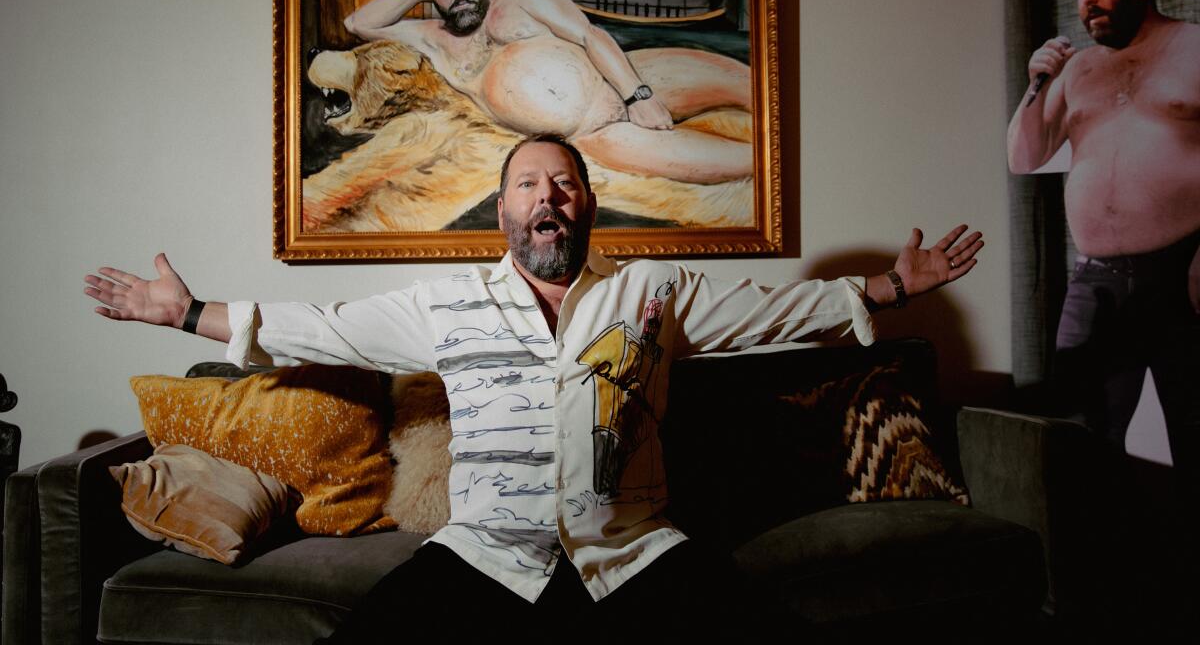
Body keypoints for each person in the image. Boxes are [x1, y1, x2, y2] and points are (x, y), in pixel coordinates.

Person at [86, 134, 983, 640]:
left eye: (564, 182)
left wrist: (892, 288)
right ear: (504, 211)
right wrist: (186, 312)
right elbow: (317, 327)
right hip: (484, 560)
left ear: (589, 206)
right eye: (527, 185)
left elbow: (779, 312)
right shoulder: (444, 305)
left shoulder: (654, 295)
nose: (547, 196)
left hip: (634, 554)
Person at [1006, 0, 1200, 486]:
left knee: (1193, 426)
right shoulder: (1080, 69)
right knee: (1083, 435)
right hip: (1096, 283)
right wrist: (1036, 85)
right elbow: (1024, 158)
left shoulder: (1195, 49)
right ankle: (1102, 566)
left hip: (1181, 277)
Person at [336, 0, 754, 184]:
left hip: (632, 74)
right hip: (594, 133)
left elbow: (591, 34)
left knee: (753, 87)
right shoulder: (433, 38)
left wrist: (638, 94)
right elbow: (357, 22)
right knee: (750, 165)